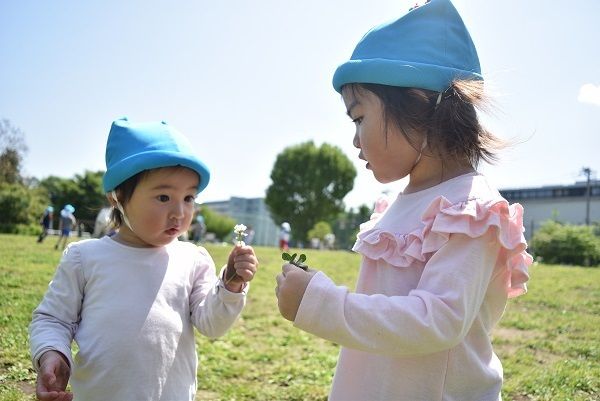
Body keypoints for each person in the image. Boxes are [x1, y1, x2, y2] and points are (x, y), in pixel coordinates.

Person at [275, 1, 532, 400]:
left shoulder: (471, 210)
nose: (355, 139)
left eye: (359, 118)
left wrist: (320, 302)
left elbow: (439, 320)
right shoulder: (399, 203)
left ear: (418, 103)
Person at [29, 118, 259, 401]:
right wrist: (52, 352)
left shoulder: (192, 259)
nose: (179, 212)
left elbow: (212, 324)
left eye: (189, 198)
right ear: (117, 197)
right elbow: (53, 319)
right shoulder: (85, 258)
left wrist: (231, 286)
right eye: (163, 197)